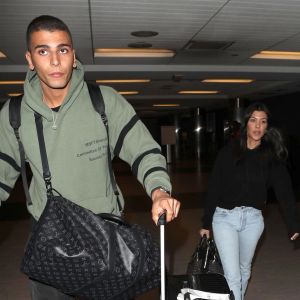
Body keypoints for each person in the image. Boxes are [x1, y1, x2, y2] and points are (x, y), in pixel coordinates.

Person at [0, 15, 180, 300]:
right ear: (30, 59)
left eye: (63, 49)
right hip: (50, 242)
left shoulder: (104, 101)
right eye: (43, 51)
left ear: (73, 56)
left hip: (105, 236)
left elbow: (143, 150)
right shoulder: (13, 114)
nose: (56, 61)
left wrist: (159, 190)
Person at [199, 102, 300, 300]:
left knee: (244, 269)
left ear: (266, 126)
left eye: (263, 122)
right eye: (253, 120)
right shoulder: (228, 152)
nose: (257, 126)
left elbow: (285, 192)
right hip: (224, 218)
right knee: (233, 275)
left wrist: (293, 223)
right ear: (246, 124)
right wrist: (206, 222)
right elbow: (214, 188)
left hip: (253, 221)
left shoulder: (271, 157)